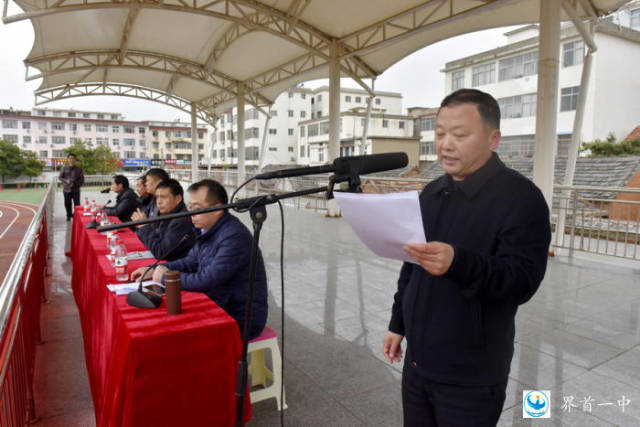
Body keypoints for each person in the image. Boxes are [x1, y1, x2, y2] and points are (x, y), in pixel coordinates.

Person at [382, 89, 551, 426]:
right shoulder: (432, 193)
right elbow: (411, 266)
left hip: (471, 378)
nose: (445, 144)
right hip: (417, 365)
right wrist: (398, 323)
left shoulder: (522, 199)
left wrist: (458, 263)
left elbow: (522, 281)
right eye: (440, 133)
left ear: (493, 139)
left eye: (459, 135)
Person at [130, 179, 268, 340]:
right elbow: (190, 262)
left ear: (217, 209)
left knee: (168, 333)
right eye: (190, 208)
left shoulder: (234, 237)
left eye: (196, 209)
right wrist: (153, 269)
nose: (191, 215)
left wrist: (166, 277)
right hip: (218, 301)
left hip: (238, 317)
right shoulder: (207, 229)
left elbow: (207, 280)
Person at [135, 179, 196, 261]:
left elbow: (161, 253)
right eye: (157, 197)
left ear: (178, 198)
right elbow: (158, 239)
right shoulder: (169, 214)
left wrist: (144, 226)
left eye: (163, 197)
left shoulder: (181, 220)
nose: (159, 202)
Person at [58, 153, 84, 221]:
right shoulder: (64, 168)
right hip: (66, 189)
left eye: (73, 158)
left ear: (75, 160)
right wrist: (66, 181)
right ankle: (68, 215)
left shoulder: (79, 169)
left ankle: (76, 215)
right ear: (68, 159)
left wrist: (77, 185)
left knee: (77, 204)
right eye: (70, 158)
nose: (71, 160)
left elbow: (81, 179)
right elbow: (60, 177)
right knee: (67, 203)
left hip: (76, 189)